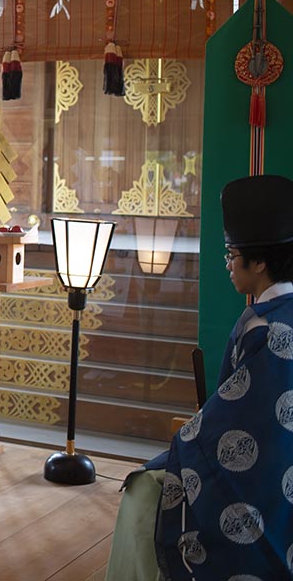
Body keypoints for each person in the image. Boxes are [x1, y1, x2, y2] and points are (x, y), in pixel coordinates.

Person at [106, 174, 293, 579]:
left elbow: (237, 431)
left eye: (231, 254)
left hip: (262, 486)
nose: (227, 264)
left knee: (142, 494)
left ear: (259, 262)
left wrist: (191, 434)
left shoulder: (263, 329)